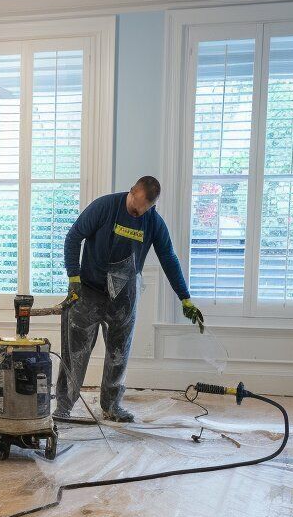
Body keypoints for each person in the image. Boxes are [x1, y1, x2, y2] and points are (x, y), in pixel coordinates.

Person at [56, 176, 205, 422]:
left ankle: (111, 405)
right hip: (88, 291)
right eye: (137, 207)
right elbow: (74, 237)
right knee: (75, 352)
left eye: (146, 209)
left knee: (119, 353)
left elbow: (168, 257)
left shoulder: (153, 221)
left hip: (124, 296)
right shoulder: (104, 207)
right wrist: (73, 275)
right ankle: (63, 406)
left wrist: (184, 297)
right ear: (133, 191)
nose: (139, 213)